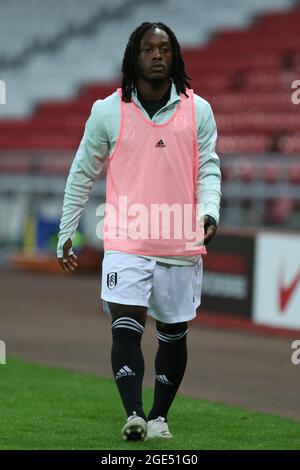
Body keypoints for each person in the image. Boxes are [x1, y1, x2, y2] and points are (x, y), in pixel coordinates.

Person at [57, 22, 221, 441]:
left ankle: (159, 416)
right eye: (148, 48)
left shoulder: (198, 110)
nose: (157, 55)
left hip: (179, 241)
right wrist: (66, 229)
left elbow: (208, 168)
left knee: (172, 334)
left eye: (164, 48)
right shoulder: (107, 111)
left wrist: (210, 212)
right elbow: (82, 173)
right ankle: (133, 413)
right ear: (134, 56)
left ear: (175, 56)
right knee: (125, 323)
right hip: (126, 239)